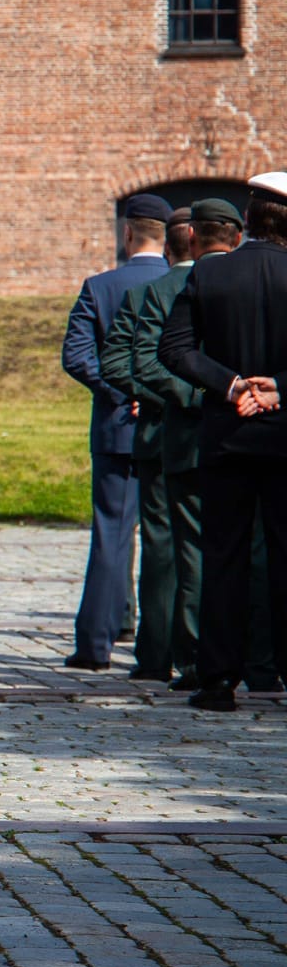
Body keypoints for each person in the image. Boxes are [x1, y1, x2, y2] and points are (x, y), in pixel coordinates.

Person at [160, 171, 287, 712]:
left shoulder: (210, 275)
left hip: (226, 431)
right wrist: (277, 387)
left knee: (224, 556)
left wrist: (232, 384)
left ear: (249, 221)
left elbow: (176, 350)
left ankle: (217, 679)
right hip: (284, 435)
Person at [125, 199, 242, 689]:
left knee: (196, 550)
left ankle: (206, 657)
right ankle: (218, 656)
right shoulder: (165, 289)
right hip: (229, 425)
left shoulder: (190, 285)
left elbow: (148, 360)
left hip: (217, 430)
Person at [61, 192, 171, 670]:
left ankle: (95, 644)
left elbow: (77, 356)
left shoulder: (100, 286)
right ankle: (163, 645)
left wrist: (114, 390)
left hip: (116, 425)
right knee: (169, 538)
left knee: (111, 534)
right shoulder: (180, 284)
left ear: (127, 233)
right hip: (170, 426)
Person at [99, 208, 194, 683]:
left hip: (158, 430)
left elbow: (118, 365)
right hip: (219, 431)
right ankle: (203, 653)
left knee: (160, 546)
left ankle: (155, 654)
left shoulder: (146, 294)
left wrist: (156, 397)